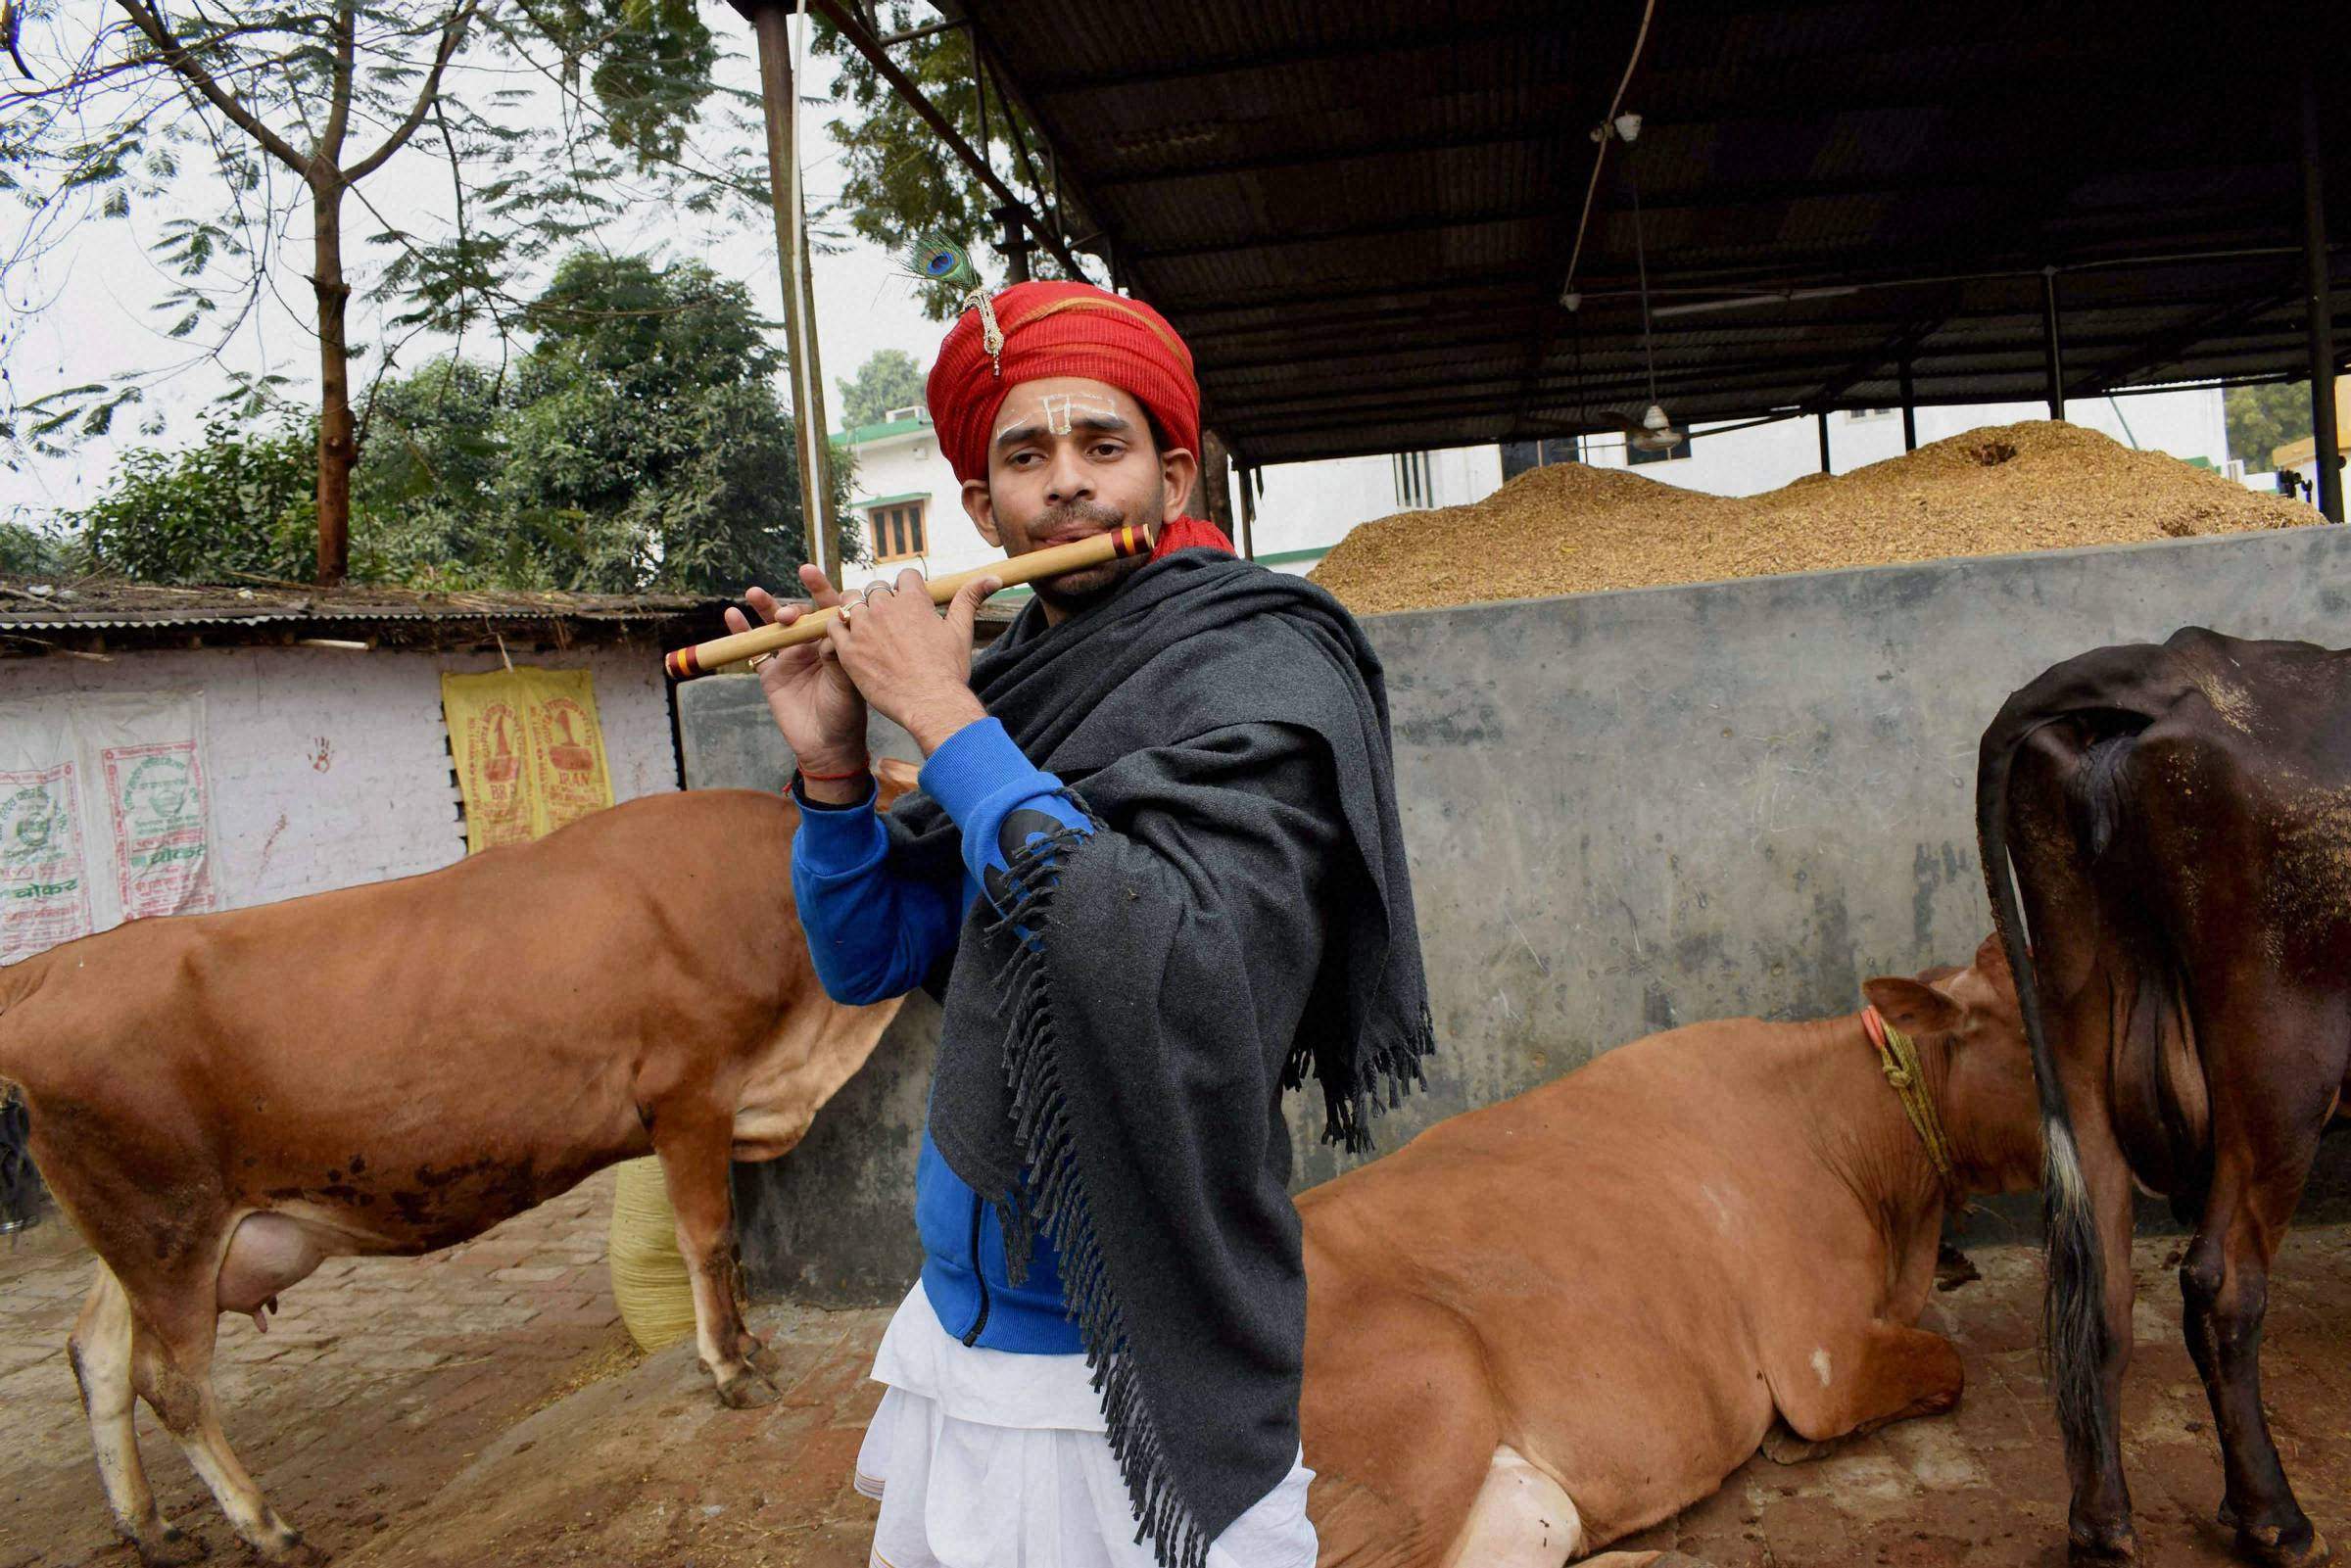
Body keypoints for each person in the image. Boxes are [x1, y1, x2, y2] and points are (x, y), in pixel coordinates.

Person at [725, 280, 1435, 1568]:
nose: (1066, 483)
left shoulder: (1258, 665)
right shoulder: (1012, 686)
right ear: (981, 505)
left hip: (1134, 1344)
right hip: (960, 1330)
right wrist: (835, 767)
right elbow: (873, 953)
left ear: (1169, 473)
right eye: (1024, 455)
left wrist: (945, 725)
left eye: (1102, 446)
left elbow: (1182, 969)